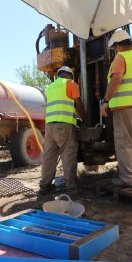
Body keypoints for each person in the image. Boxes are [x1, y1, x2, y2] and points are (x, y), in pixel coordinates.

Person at [101, 30, 132, 188]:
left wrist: (106, 101)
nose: (115, 50)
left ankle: (127, 179)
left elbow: (116, 79)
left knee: (124, 144)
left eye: (115, 47)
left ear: (118, 45)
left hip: (124, 108)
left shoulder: (121, 57)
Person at [39, 66, 86, 194]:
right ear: (69, 75)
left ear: (59, 75)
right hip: (64, 125)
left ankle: (44, 186)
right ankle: (71, 186)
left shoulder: (49, 87)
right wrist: (84, 118)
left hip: (49, 126)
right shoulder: (70, 84)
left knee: (49, 155)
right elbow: (78, 103)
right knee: (68, 154)